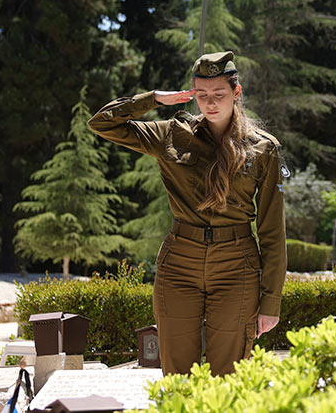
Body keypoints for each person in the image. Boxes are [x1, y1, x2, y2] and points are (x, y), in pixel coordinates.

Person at [87, 51, 286, 376]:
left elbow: (273, 232)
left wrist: (271, 302)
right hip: (179, 265)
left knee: (229, 376)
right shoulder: (172, 133)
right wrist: (152, 99)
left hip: (237, 267)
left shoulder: (262, 149)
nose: (210, 103)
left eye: (219, 94)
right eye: (201, 94)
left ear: (237, 93)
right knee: (178, 375)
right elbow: (102, 123)